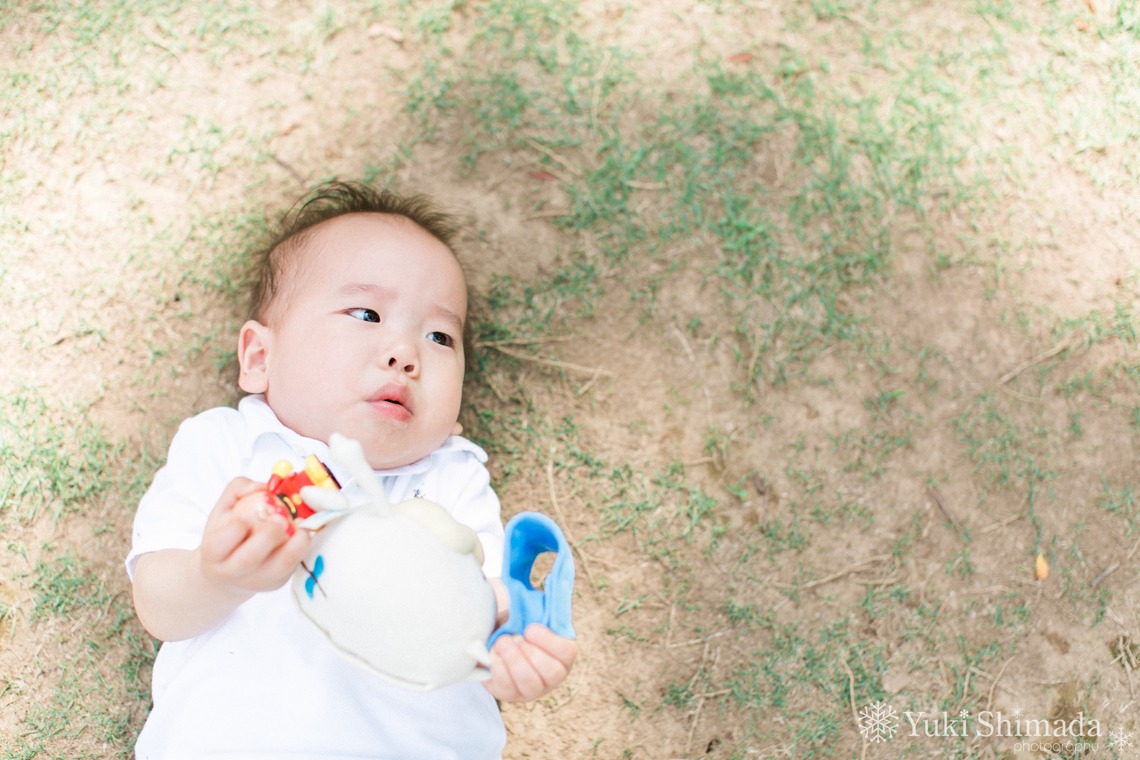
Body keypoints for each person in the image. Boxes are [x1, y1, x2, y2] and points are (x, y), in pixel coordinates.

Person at [127, 181, 578, 759]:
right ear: (261, 358)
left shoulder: (451, 479)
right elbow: (159, 607)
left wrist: (515, 649)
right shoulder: (228, 447)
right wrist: (220, 577)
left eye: (439, 336)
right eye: (366, 313)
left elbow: (482, 612)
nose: (404, 353)